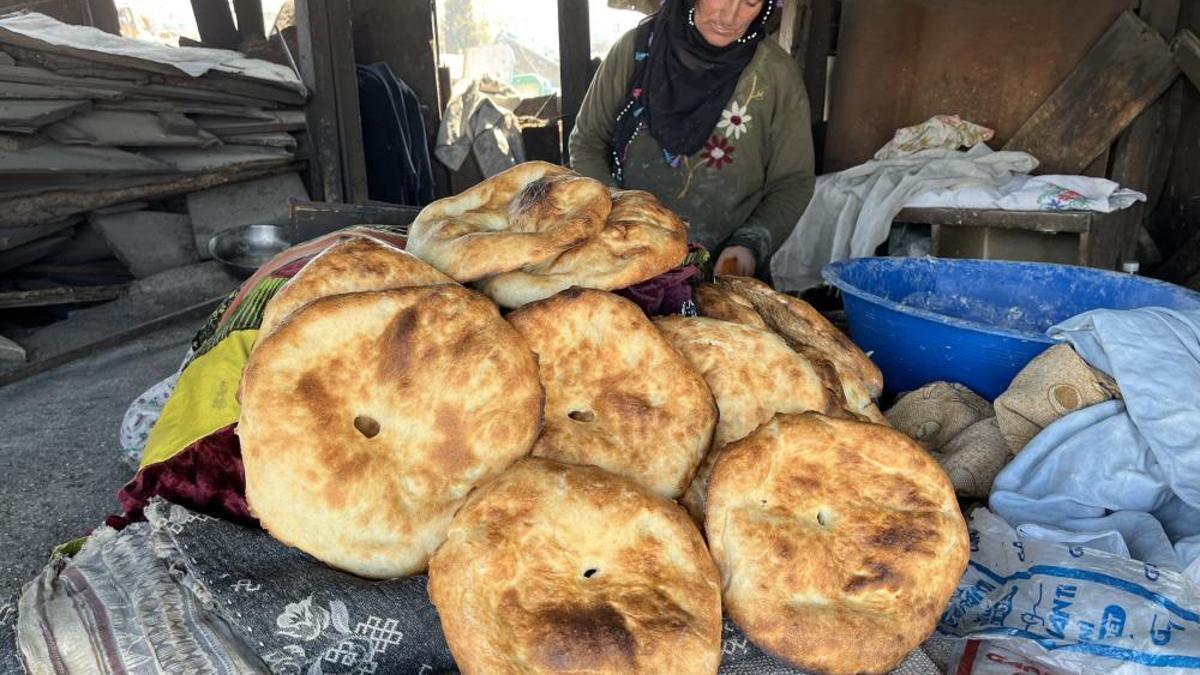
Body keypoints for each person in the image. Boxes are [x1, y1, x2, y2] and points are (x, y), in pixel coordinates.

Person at [570, 0, 815, 279]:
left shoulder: (776, 74)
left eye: (750, 2)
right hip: (624, 263)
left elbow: (794, 180)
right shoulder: (636, 51)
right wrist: (618, 214)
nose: (730, 16)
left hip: (724, 274)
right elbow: (587, 142)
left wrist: (750, 243)